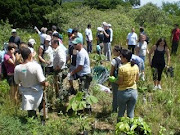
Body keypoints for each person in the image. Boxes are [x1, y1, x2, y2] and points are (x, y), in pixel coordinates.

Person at [14, 47, 49, 120]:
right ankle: (43, 121)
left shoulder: (17, 68)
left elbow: (17, 81)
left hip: (26, 92)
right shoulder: (36, 66)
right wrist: (46, 84)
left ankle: (32, 122)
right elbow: (41, 81)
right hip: (37, 91)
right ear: (30, 55)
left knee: (30, 109)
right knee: (42, 106)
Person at [115, 49, 139, 120]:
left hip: (123, 92)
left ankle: (119, 129)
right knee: (131, 113)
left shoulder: (122, 68)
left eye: (121, 56)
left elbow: (120, 82)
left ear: (125, 58)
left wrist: (114, 80)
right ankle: (130, 129)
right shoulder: (135, 66)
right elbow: (137, 79)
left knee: (121, 113)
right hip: (133, 91)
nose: (120, 58)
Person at [109, 45, 122, 113]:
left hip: (115, 80)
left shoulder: (114, 60)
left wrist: (109, 81)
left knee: (115, 96)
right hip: (123, 80)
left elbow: (111, 72)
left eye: (114, 51)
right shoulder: (124, 59)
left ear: (118, 52)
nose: (112, 52)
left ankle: (114, 110)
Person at [67, 28, 77, 94]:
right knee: (70, 77)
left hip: (76, 64)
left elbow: (74, 54)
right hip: (74, 64)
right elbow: (70, 55)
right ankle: (72, 88)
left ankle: (73, 88)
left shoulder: (75, 48)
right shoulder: (72, 47)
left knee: (70, 76)